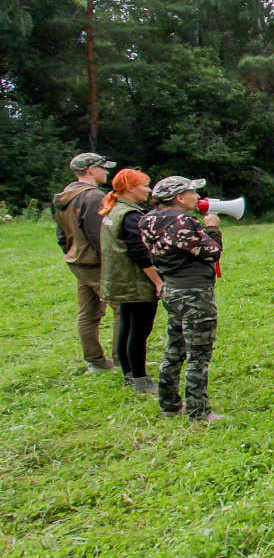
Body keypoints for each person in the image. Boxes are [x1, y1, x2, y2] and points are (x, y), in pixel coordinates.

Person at [140, 177, 225, 423]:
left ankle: (169, 404)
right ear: (179, 197)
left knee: (174, 350)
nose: (196, 196)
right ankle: (198, 412)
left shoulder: (149, 219)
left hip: (172, 289)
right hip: (194, 294)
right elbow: (212, 252)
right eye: (192, 192)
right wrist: (212, 227)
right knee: (198, 355)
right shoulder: (182, 222)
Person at [99, 168, 163, 395]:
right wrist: (157, 281)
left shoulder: (114, 209)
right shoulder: (131, 216)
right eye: (145, 185)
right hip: (136, 281)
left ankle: (128, 373)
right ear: (130, 187)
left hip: (120, 280)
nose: (148, 189)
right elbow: (139, 252)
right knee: (139, 330)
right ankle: (140, 379)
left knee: (126, 326)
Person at [52, 152, 118, 374]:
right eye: (103, 167)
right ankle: (124, 360)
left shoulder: (65, 196)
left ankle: (95, 362)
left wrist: (72, 252)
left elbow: (61, 235)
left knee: (88, 312)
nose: (106, 171)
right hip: (97, 264)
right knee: (124, 309)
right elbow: (100, 236)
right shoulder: (93, 197)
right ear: (91, 170)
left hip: (78, 262)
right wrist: (112, 263)